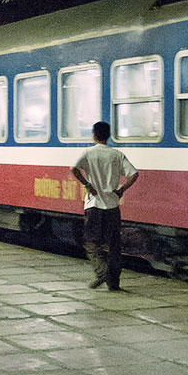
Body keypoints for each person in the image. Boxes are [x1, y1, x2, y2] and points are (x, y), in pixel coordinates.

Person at [70, 121, 139, 291]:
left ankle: (102, 273)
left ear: (94, 135)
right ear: (108, 136)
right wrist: (121, 189)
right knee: (114, 245)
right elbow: (134, 174)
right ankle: (113, 283)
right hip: (112, 206)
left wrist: (87, 184)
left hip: (94, 205)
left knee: (90, 243)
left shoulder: (88, 153)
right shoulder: (117, 154)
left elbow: (74, 169)